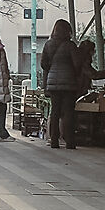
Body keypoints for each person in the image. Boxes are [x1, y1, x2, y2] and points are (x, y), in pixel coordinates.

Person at [39, 18, 82, 149]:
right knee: (68, 112)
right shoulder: (70, 45)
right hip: (68, 83)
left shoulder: (48, 44)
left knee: (55, 112)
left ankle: (54, 141)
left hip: (53, 83)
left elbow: (43, 64)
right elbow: (77, 64)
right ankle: (69, 141)